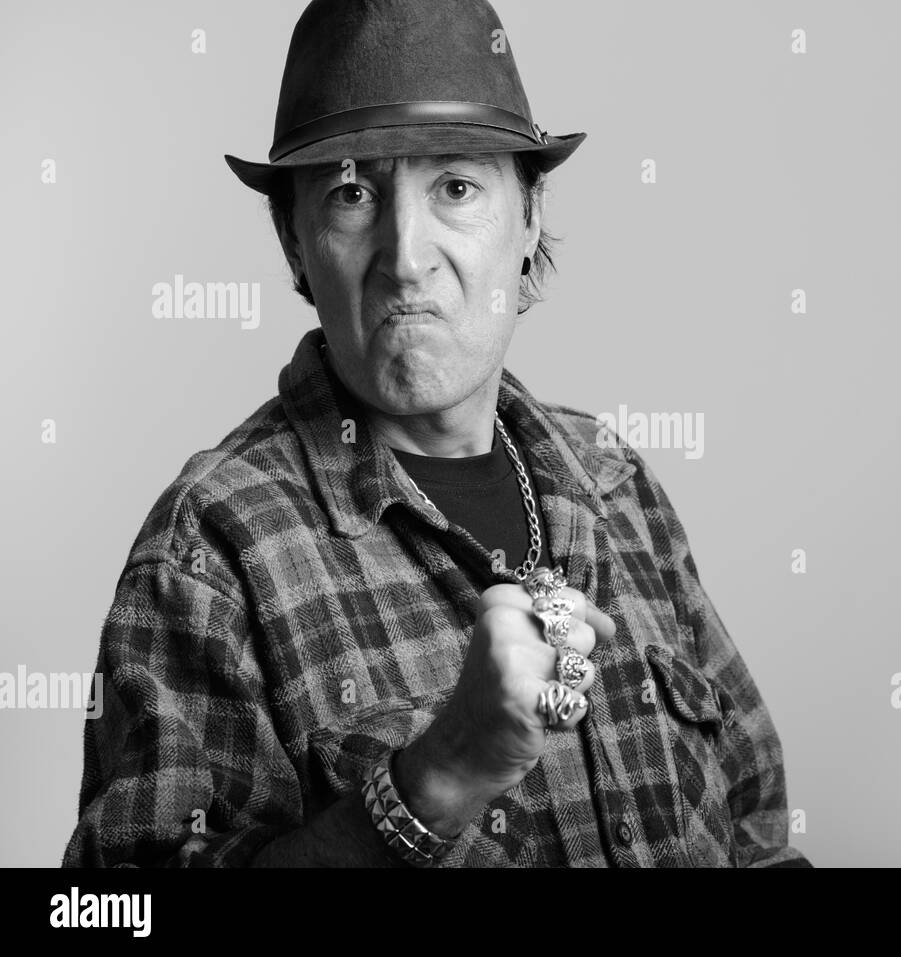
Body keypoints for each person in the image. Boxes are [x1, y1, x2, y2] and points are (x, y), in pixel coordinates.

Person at [62, 0, 809, 868]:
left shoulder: (616, 485)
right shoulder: (212, 550)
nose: (406, 254)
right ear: (296, 246)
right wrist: (437, 779)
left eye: (455, 187)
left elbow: (759, 829)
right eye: (351, 195)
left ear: (527, 219)